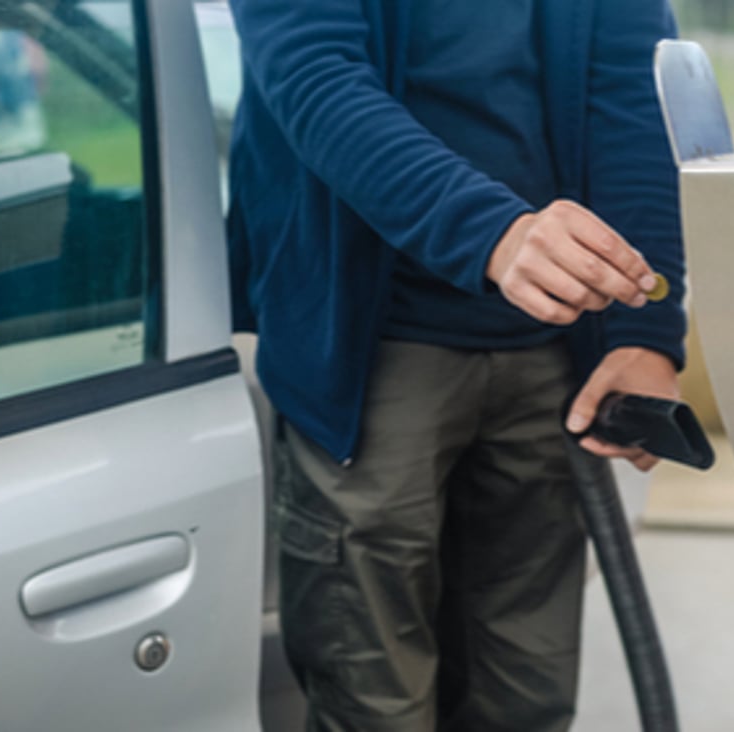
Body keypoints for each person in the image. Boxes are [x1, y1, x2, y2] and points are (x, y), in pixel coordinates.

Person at [226, 1, 687, 730]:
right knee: (371, 696)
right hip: (368, 348)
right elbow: (313, 76)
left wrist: (644, 331)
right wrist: (492, 235)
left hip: (551, 343)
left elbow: (632, 98)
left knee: (524, 691)